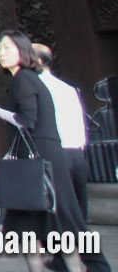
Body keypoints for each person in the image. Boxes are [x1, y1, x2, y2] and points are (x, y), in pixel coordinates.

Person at [0, 30, 89, 272]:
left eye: (7, 47)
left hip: (41, 158)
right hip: (46, 154)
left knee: (44, 224)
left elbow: (27, 120)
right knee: (43, 224)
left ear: (23, 51)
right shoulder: (29, 78)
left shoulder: (23, 79)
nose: (1, 52)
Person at [34, 44, 113, 272]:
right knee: (70, 214)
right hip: (77, 155)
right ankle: (63, 260)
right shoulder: (68, 88)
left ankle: (96, 264)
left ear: (38, 62)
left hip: (59, 156)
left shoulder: (38, 89)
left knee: (67, 217)